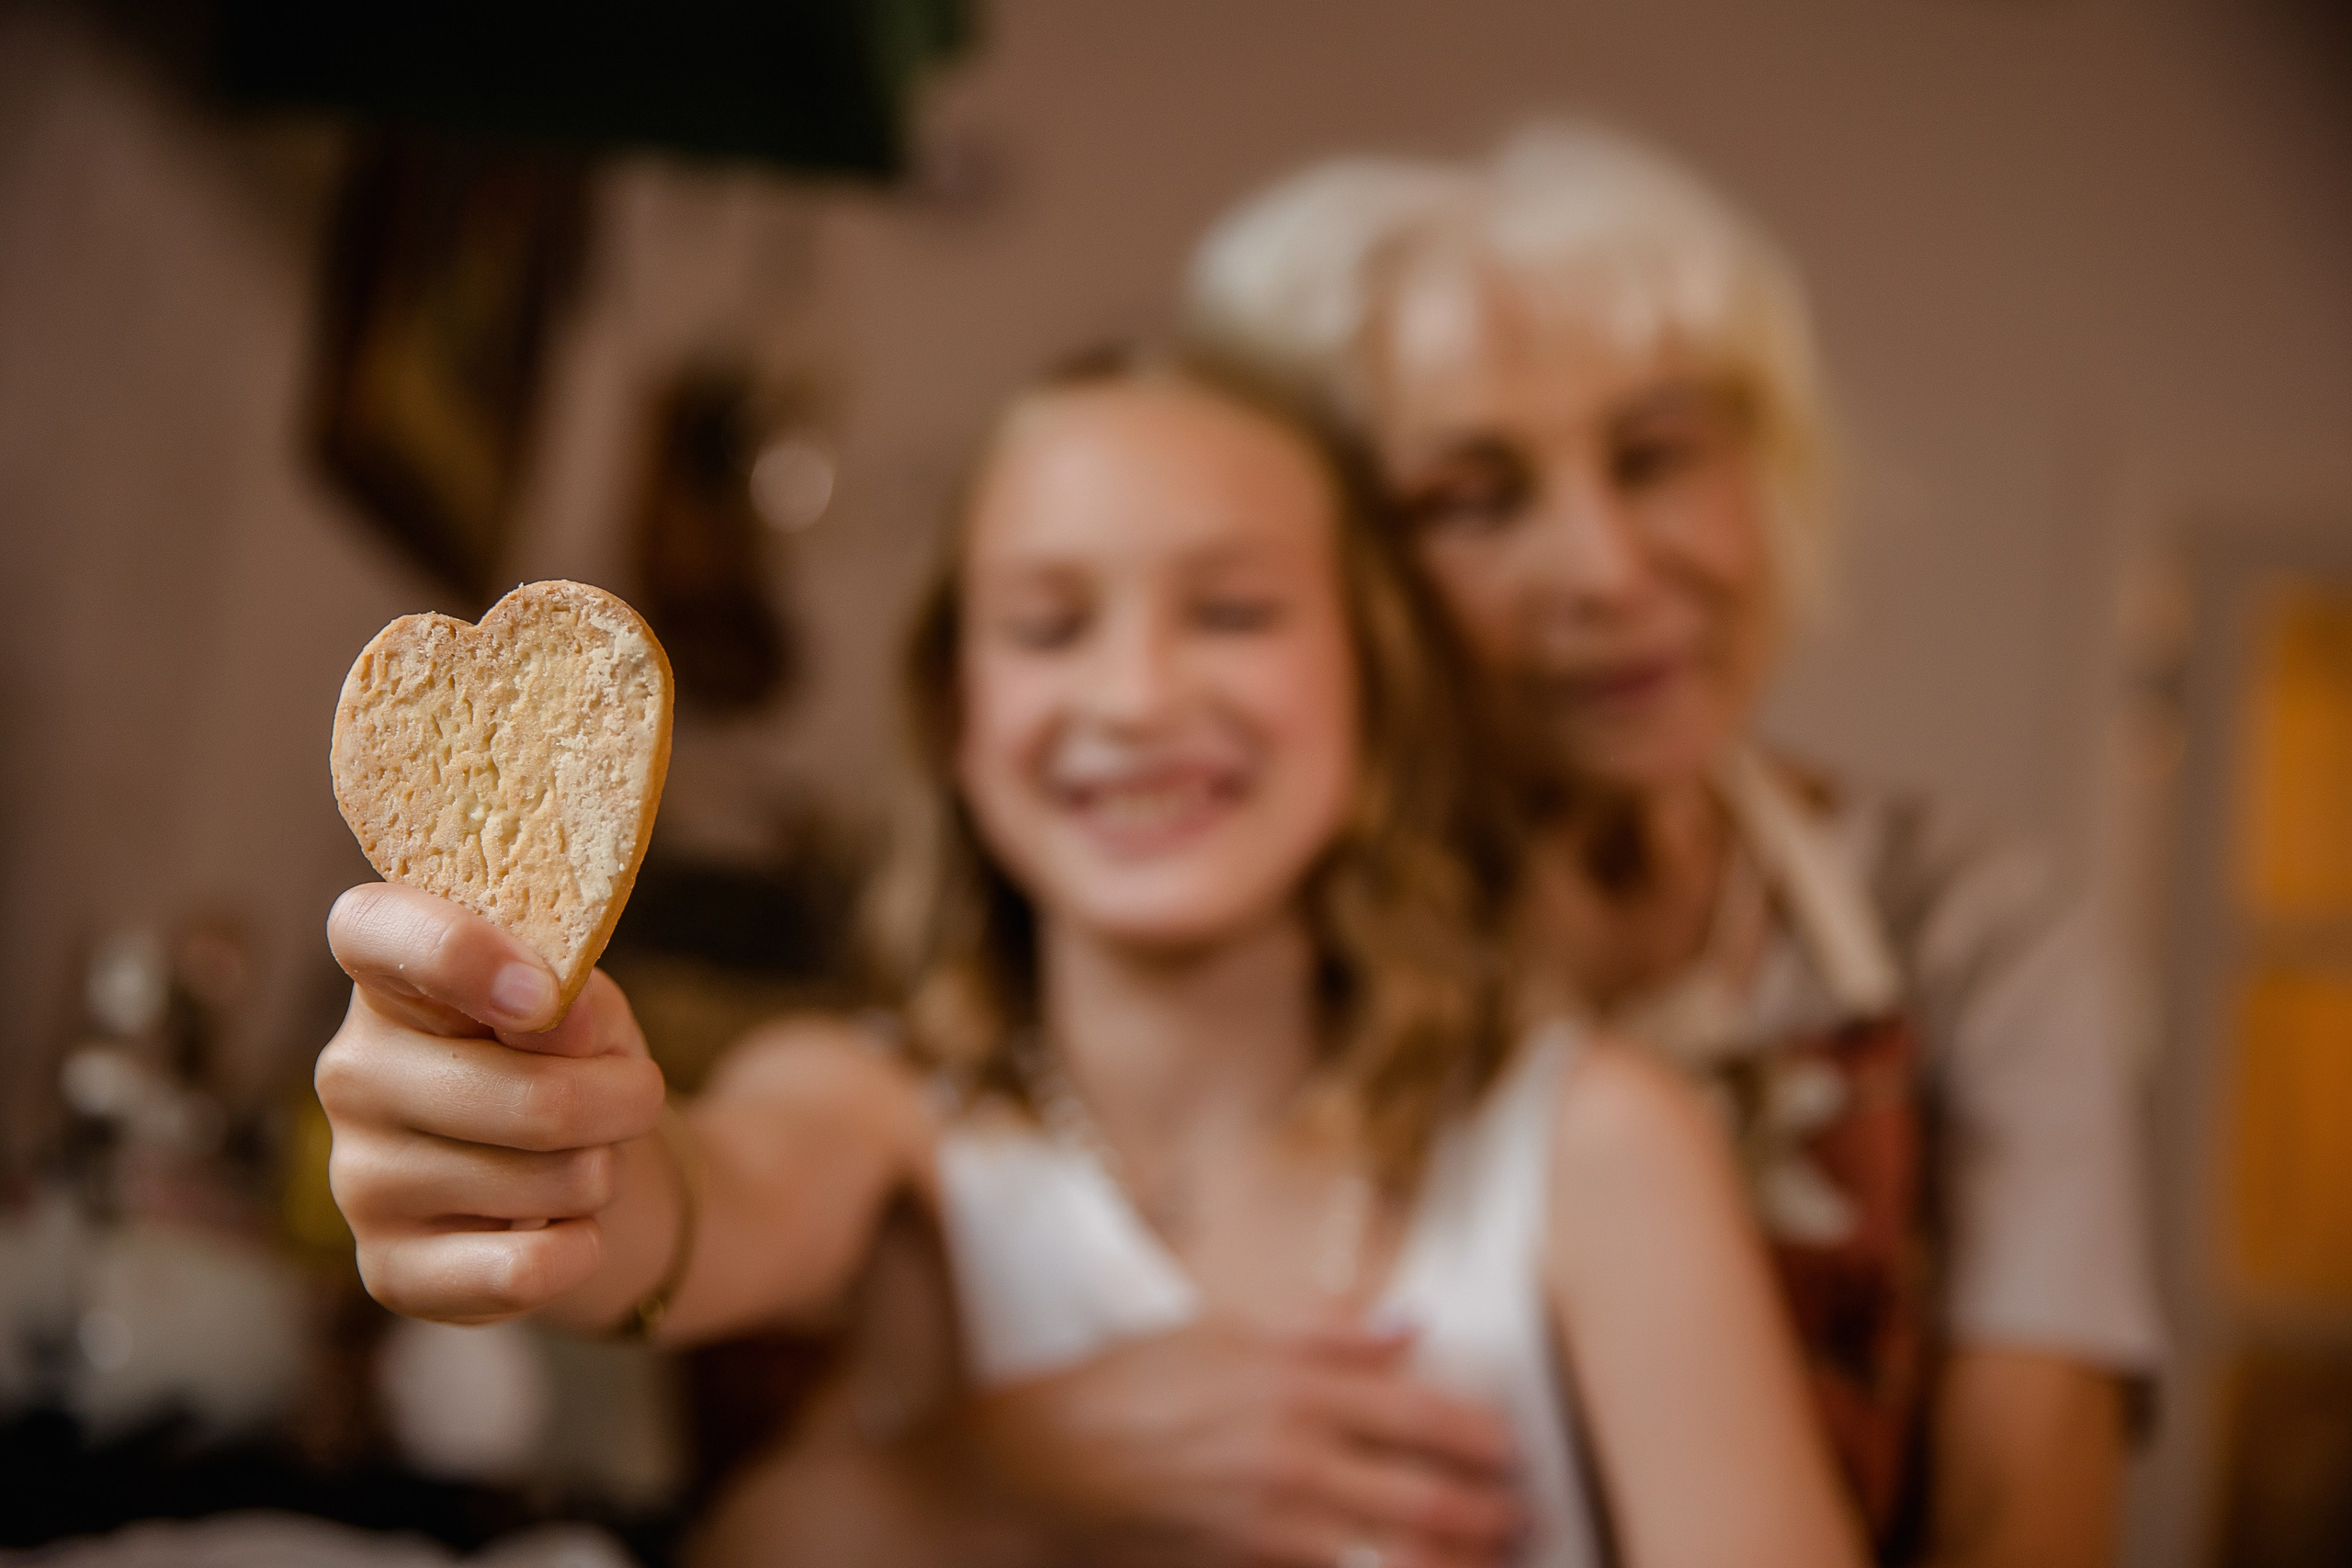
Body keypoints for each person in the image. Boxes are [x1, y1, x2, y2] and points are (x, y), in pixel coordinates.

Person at [322, 348, 1864, 1568]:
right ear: (958, 723)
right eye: (1050, 625)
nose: (1133, 694)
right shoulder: (887, 1112)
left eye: (1236, 610)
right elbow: (688, 1197)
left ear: (1375, 699)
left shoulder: (1596, 1145)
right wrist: (529, 1147)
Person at [1163, 125, 2163, 1566]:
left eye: (1657, 459)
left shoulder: (1969, 929)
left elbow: (2030, 1525)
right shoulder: (1243, 939)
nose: (1608, 572)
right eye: (1473, 498)